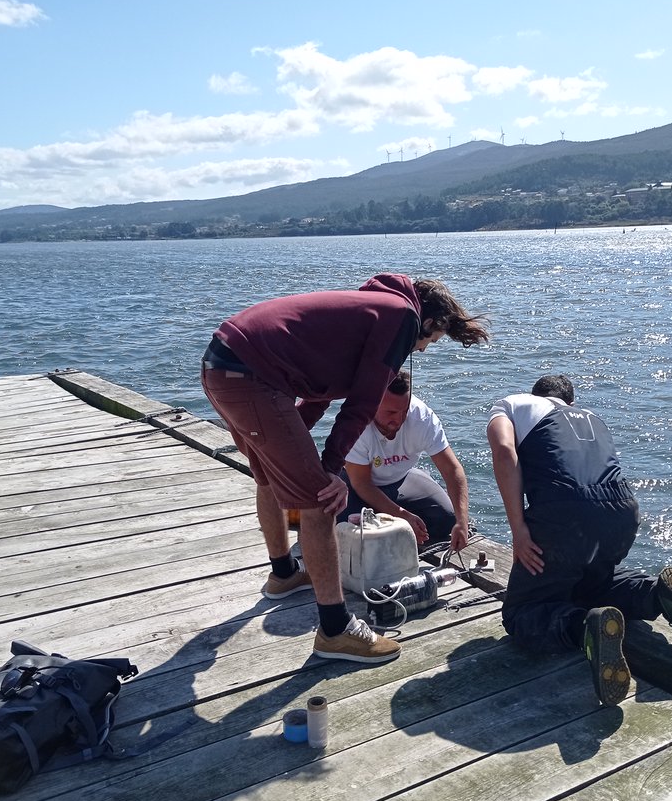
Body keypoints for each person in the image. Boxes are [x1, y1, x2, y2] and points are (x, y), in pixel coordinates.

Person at [201, 273, 488, 665]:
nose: (420, 351)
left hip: (224, 364)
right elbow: (362, 405)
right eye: (430, 342)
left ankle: (284, 574)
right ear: (431, 322)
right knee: (321, 501)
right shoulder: (401, 316)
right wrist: (329, 471)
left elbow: (320, 394)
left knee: (269, 475)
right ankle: (335, 631)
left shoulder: (370, 310)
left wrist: (300, 453)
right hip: (252, 378)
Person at [486, 374, 672, 706]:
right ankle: (658, 596)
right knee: (590, 586)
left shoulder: (514, 404)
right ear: (570, 401)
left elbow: (503, 450)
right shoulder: (592, 419)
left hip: (565, 515)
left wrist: (518, 530)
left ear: (536, 394)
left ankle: (583, 628)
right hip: (622, 513)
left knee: (521, 614)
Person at [339, 371, 470, 552]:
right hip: (355, 485)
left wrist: (462, 522)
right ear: (373, 404)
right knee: (354, 535)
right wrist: (401, 516)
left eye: (404, 411)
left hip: (401, 478)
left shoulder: (422, 417)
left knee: (447, 519)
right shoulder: (358, 423)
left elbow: (452, 469)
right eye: (391, 412)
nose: (399, 420)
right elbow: (362, 484)